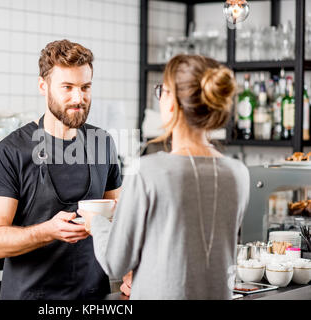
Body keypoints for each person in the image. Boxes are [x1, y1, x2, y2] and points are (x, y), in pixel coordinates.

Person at [79, 54, 250, 300]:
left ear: (171, 102)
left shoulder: (148, 171)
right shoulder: (239, 173)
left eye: (162, 91)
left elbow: (115, 263)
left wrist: (96, 222)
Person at [0, 39, 122, 300]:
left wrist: (130, 272)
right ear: (42, 86)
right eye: (67, 87)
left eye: (85, 87)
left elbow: (120, 219)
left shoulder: (103, 143)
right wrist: (47, 231)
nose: (78, 98)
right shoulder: (11, 151)